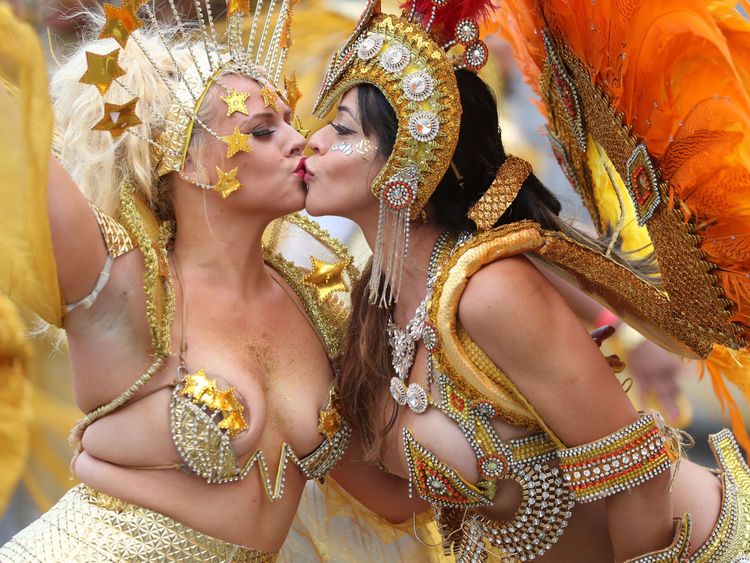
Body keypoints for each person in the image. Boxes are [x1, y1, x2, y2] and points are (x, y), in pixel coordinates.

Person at [303, 0, 750, 560]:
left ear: (406, 163)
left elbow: (639, 476)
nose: (313, 141)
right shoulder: (375, 302)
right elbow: (398, 502)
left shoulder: (487, 292)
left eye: (341, 129)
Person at [0, 1, 359, 559]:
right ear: (187, 164)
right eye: (263, 130)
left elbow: (389, 493)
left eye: (290, 121)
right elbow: (16, 150)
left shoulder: (320, 302)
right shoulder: (126, 286)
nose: (298, 140)